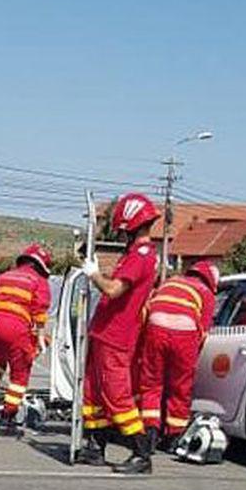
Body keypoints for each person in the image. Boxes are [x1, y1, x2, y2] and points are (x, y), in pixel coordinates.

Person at [79, 192, 161, 474]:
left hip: (116, 336)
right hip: (105, 334)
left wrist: (93, 274)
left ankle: (141, 453)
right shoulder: (134, 254)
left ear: (131, 225)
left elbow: (113, 290)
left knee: (117, 395)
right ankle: (95, 447)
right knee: (93, 393)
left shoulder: (141, 256)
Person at [135, 261, 219, 450]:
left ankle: (149, 433)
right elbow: (203, 332)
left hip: (155, 328)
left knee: (151, 385)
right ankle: (173, 436)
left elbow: (146, 310)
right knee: (180, 387)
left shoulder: (170, 282)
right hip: (185, 334)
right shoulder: (205, 292)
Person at [0, 243, 53, 436]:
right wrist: (41, 337)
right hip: (16, 329)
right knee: (19, 376)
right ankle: (7, 419)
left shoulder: (5, 275)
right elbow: (40, 312)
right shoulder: (39, 281)